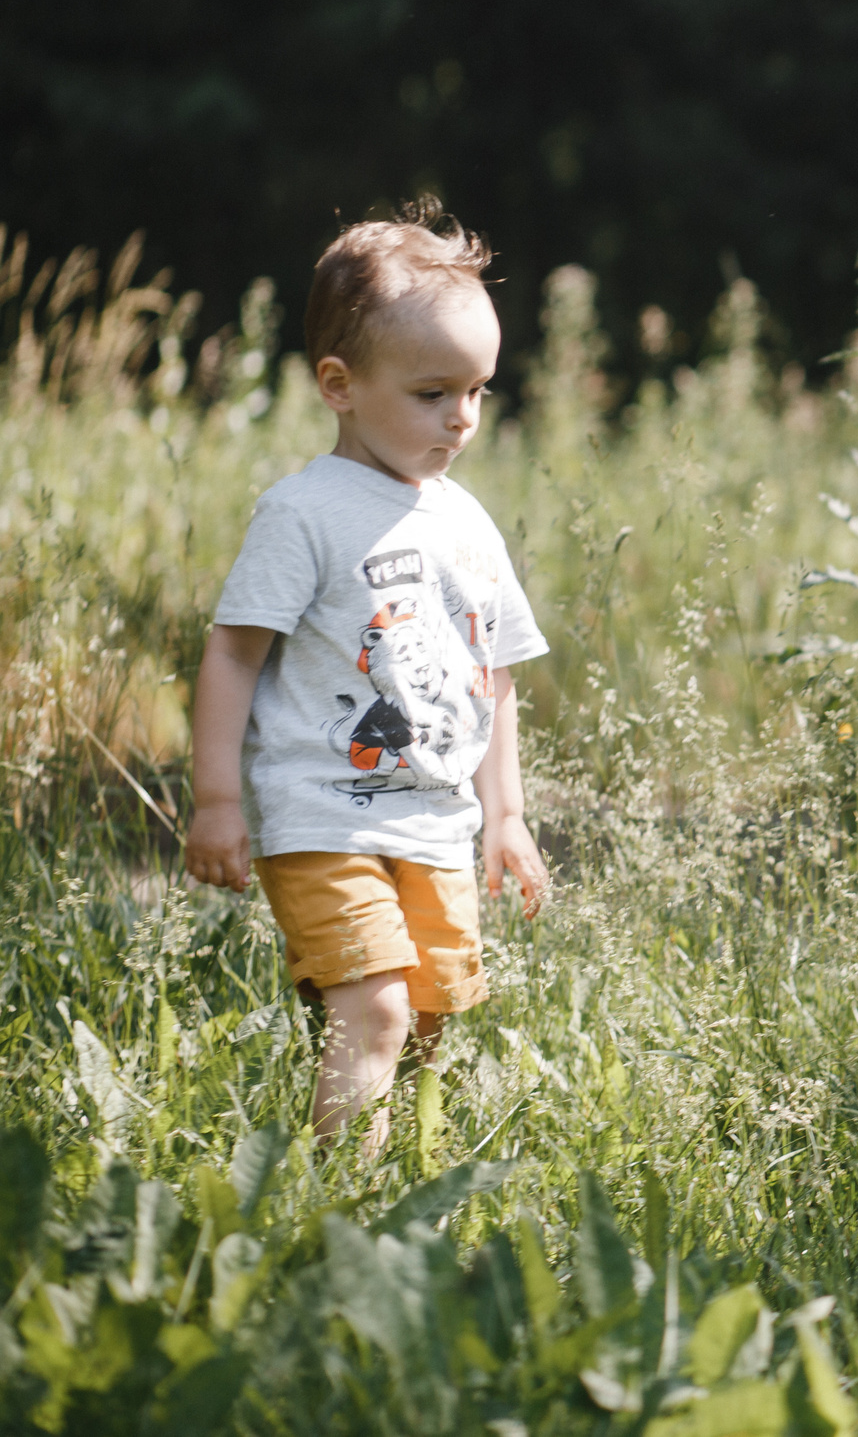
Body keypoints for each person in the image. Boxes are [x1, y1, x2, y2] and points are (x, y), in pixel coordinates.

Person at [183, 200, 549, 1154]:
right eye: (433, 393)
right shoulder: (305, 513)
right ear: (340, 384)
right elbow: (232, 651)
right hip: (323, 811)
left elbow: (494, 672)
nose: (462, 418)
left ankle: (389, 1181)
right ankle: (336, 1200)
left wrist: (504, 813)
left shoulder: (467, 522)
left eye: (479, 391)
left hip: (436, 824)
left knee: (428, 1013)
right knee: (381, 1011)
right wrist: (217, 796)